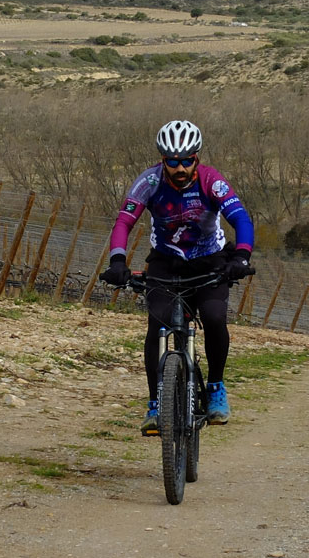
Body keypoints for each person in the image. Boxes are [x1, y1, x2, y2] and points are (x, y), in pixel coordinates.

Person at [99, 119, 254, 436]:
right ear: (163, 159)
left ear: (196, 157)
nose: (180, 168)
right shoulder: (150, 181)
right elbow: (124, 222)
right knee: (156, 326)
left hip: (210, 260)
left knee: (213, 317)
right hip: (166, 262)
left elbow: (240, 217)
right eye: (172, 161)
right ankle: (156, 402)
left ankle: (215, 387)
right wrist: (117, 260)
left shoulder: (212, 181)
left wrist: (241, 255)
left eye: (186, 160)